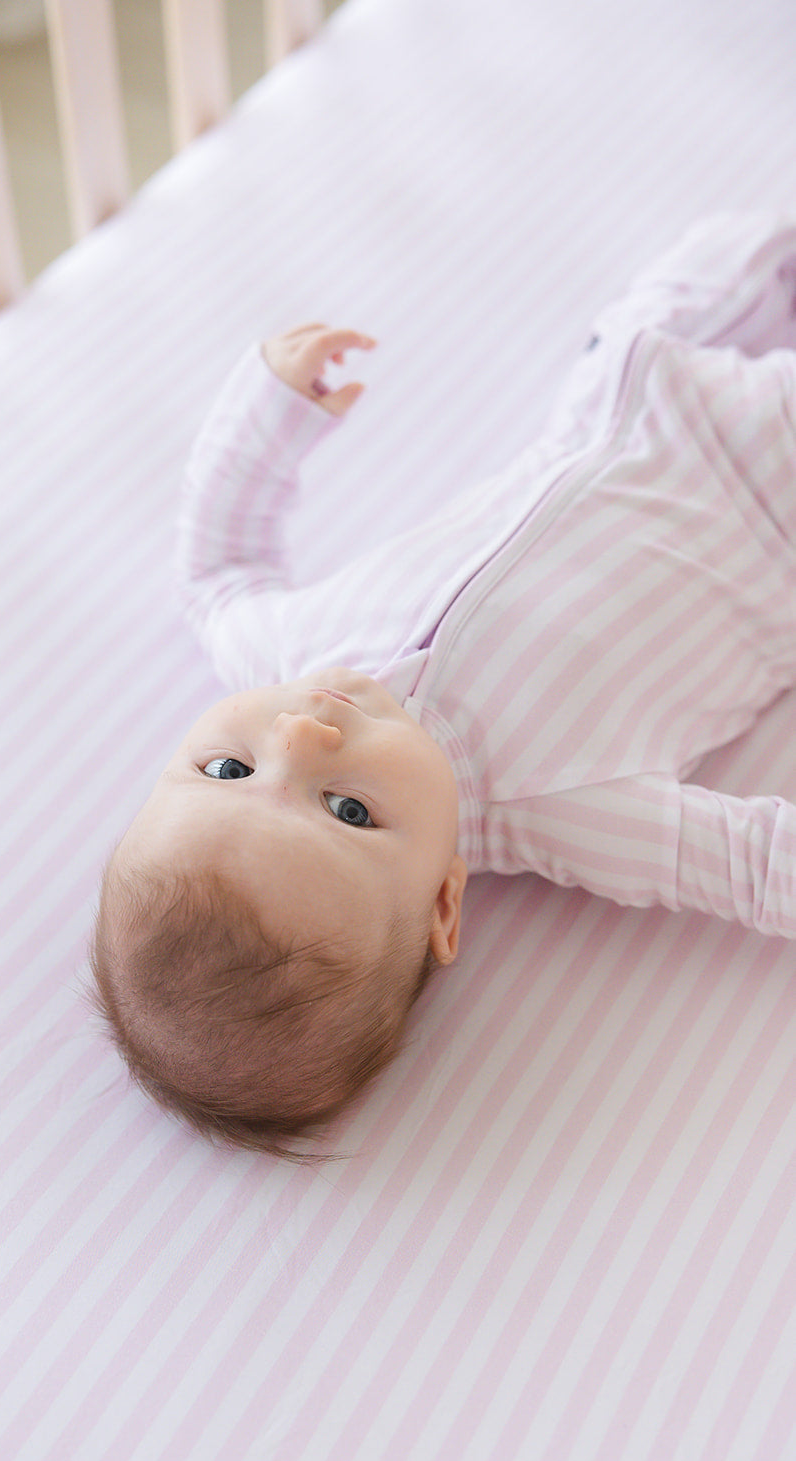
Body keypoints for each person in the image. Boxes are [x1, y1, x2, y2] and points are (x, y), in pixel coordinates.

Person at [91, 213, 796, 1159]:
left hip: (620, 384)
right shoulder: (561, 807)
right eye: (344, 810)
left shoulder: (276, 654)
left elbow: (215, 570)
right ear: (442, 904)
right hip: (768, 493)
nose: (302, 738)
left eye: (223, 770)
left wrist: (266, 411)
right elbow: (758, 867)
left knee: (714, 257)